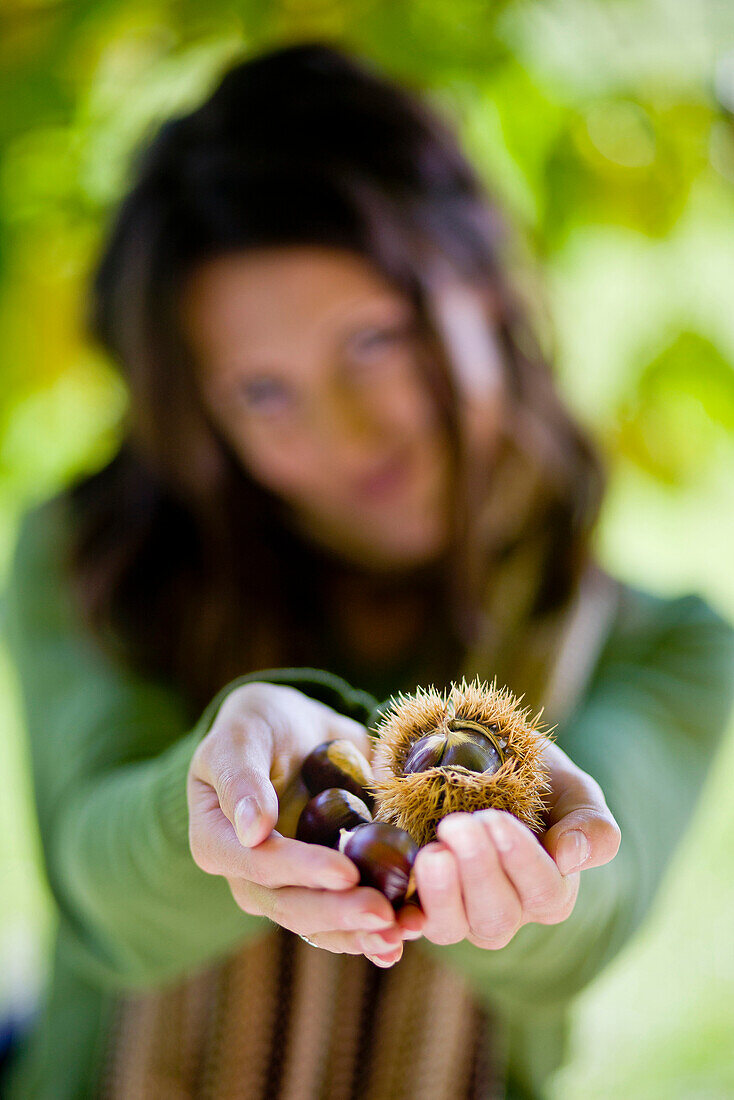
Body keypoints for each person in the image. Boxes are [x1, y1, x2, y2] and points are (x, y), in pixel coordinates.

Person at [2, 40, 733, 1100]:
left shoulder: (665, 647)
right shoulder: (93, 552)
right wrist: (220, 795)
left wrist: (508, 871)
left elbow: (588, 919)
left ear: (479, 287)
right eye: (263, 391)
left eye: (373, 341)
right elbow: (96, 882)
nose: (346, 432)